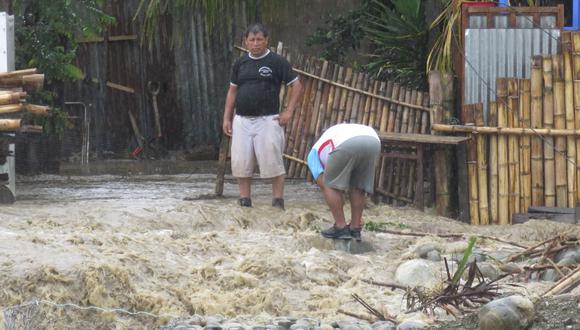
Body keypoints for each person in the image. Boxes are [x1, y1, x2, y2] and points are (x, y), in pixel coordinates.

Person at [222, 23, 302, 210]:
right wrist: (227, 118)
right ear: (246, 42)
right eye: (252, 40)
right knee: (241, 162)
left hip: (268, 120)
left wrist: (288, 112)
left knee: (273, 162)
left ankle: (278, 202)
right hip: (242, 120)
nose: (256, 43)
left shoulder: (277, 61)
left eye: (259, 39)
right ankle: (245, 201)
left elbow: (296, 86)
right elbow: (232, 92)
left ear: (267, 40)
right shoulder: (240, 63)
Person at [307, 123, 381, 241]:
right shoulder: (332, 135)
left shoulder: (312, 155)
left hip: (346, 142)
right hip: (373, 140)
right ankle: (355, 227)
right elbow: (352, 186)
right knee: (358, 186)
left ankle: (340, 227)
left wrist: (338, 206)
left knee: (329, 186)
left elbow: (326, 186)